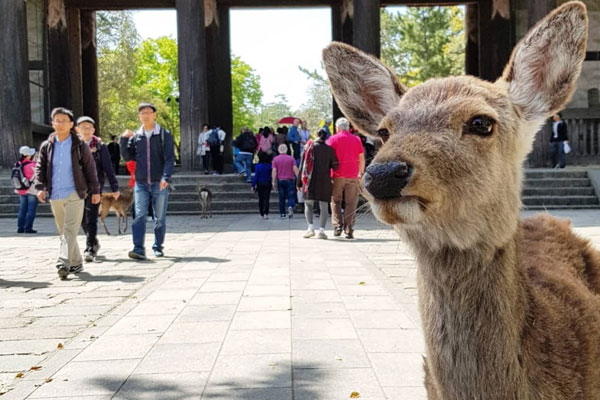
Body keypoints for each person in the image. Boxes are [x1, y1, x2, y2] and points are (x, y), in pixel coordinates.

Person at [34, 107, 100, 279]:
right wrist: (40, 187)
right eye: (58, 120)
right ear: (52, 123)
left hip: (75, 192)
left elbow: (90, 168)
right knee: (64, 231)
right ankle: (77, 263)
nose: (61, 123)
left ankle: (63, 261)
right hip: (55, 193)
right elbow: (40, 167)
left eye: (65, 121)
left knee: (70, 229)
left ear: (71, 124)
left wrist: (95, 190)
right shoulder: (46, 146)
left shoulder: (80, 145)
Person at [120, 102, 175, 260]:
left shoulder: (164, 135)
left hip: (159, 182)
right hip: (141, 182)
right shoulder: (137, 136)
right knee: (139, 215)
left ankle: (157, 246)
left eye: (148, 112)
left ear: (154, 115)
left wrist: (166, 177)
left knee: (159, 217)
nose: (145, 115)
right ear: (139, 116)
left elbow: (170, 158)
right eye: (142, 113)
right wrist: (124, 140)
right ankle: (138, 249)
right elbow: (128, 157)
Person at [75, 116, 120, 262]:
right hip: (76, 187)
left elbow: (108, 168)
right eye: (83, 127)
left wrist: (114, 187)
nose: (86, 130)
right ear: (77, 129)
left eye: (89, 127)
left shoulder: (100, 146)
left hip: (94, 187)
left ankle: (90, 248)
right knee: (80, 218)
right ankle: (93, 240)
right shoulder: (72, 145)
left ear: (93, 130)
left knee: (91, 217)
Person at [327, 117, 365, 239]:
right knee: (351, 203)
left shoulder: (333, 139)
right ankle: (349, 229)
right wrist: (361, 172)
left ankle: (337, 225)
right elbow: (361, 158)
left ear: (338, 128)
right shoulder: (356, 139)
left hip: (337, 175)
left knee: (335, 200)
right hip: (353, 175)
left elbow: (328, 158)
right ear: (348, 127)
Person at [298, 128, 339, 239]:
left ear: (316, 135)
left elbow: (302, 167)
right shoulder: (329, 150)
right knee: (324, 206)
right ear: (326, 137)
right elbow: (336, 166)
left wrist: (298, 183)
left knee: (308, 205)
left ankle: (310, 229)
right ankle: (321, 231)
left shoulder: (308, 148)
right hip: (324, 181)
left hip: (310, 181)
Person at [14, 146, 39, 234]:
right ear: (28, 155)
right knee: (31, 209)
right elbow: (37, 178)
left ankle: (20, 227)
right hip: (31, 190)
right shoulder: (32, 165)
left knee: (22, 209)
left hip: (21, 190)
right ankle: (28, 228)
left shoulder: (18, 164)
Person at [272, 143, 298, 219]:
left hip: (280, 180)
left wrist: (273, 181)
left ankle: (282, 213)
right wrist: (299, 178)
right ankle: (290, 206)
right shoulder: (291, 158)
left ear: (278, 150)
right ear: (286, 150)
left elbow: (274, 171)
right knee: (291, 196)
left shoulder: (275, 159)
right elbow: (295, 169)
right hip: (289, 179)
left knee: (281, 197)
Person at [251, 151, 273, 219]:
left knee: (261, 199)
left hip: (260, 183)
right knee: (267, 198)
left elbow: (256, 176)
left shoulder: (257, 166)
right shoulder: (270, 166)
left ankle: (261, 213)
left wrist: (253, 185)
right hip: (267, 182)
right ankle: (266, 213)